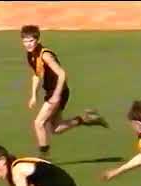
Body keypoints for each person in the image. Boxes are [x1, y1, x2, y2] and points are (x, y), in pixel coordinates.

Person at [20, 25, 109, 160]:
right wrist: (33, 95)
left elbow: (62, 74)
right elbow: (37, 75)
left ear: (37, 40)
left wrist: (56, 95)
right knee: (56, 129)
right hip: (53, 91)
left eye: (31, 41)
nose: (28, 44)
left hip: (58, 91)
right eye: (25, 41)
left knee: (38, 123)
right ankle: (85, 119)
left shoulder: (45, 55)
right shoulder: (31, 55)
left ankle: (44, 157)